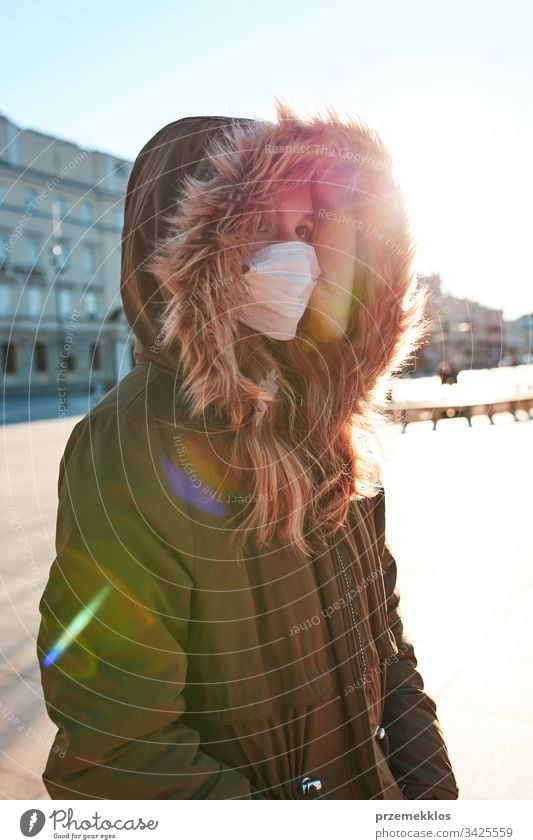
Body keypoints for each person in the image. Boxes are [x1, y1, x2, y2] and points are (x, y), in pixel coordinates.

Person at [37, 103, 458, 800]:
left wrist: (430, 800)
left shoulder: (324, 421)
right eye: (259, 226)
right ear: (184, 245)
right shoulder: (131, 443)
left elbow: (386, 645)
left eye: (302, 229)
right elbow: (118, 751)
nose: (295, 254)